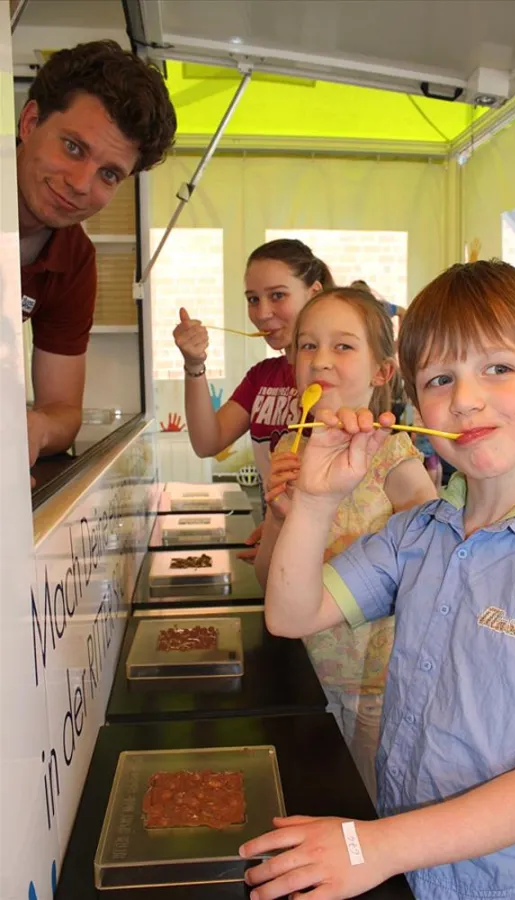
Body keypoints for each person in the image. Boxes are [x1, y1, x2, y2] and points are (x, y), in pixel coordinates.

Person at [240, 260, 515, 900]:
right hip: (414, 868)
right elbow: (291, 616)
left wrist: (373, 844)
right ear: (414, 398)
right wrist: (317, 503)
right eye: (440, 377)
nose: (465, 398)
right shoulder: (418, 533)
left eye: (498, 367)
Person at [254, 287, 436, 799]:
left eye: (343, 347)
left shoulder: (392, 451)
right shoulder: (290, 447)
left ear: (382, 371)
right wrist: (279, 517)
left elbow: (432, 557)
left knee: (367, 802)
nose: (321, 362)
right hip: (307, 672)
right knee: (319, 793)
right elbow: (268, 581)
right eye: (307, 347)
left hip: (374, 681)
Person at [18, 40, 176, 475]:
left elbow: (64, 411)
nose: (81, 184)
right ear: (30, 122)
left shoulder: (74, 259)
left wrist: (33, 429)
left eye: (109, 174)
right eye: (73, 147)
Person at [172, 238, 334, 485]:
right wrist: (194, 365)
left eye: (278, 295)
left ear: (314, 294)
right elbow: (207, 443)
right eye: (253, 299)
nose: (262, 313)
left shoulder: (337, 373)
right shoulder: (262, 376)